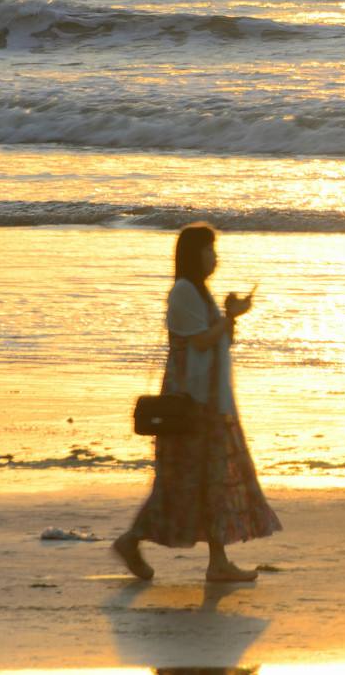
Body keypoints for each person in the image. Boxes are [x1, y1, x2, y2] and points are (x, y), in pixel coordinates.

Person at [113, 223, 281, 583]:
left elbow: (217, 341)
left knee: (208, 482)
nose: (214, 257)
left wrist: (227, 317)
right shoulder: (184, 293)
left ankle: (216, 562)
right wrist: (230, 318)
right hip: (190, 404)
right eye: (209, 250)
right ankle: (132, 540)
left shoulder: (198, 292)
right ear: (194, 254)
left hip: (207, 400)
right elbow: (201, 343)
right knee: (184, 484)